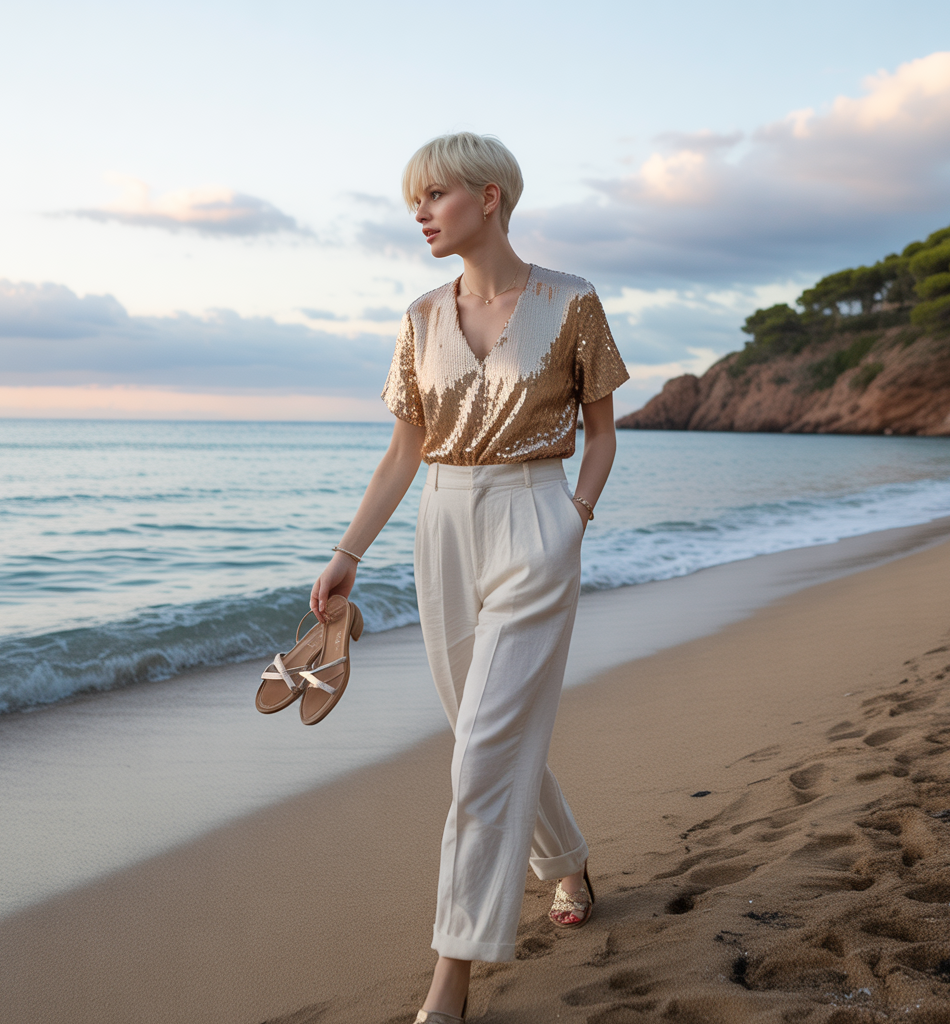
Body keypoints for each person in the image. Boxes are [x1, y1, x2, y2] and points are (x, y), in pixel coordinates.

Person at [309, 132, 628, 1023]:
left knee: (484, 750)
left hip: (537, 518)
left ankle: (450, 981)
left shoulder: (571, 301)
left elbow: (603, 433)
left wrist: (573, 518)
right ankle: (567, 861)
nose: (420, 214)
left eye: (435, 195)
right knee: (479, 735)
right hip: (442, 525)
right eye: (414, 200)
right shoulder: (420, 317)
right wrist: (347, 554)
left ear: (490, 197)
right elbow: (403, 451)